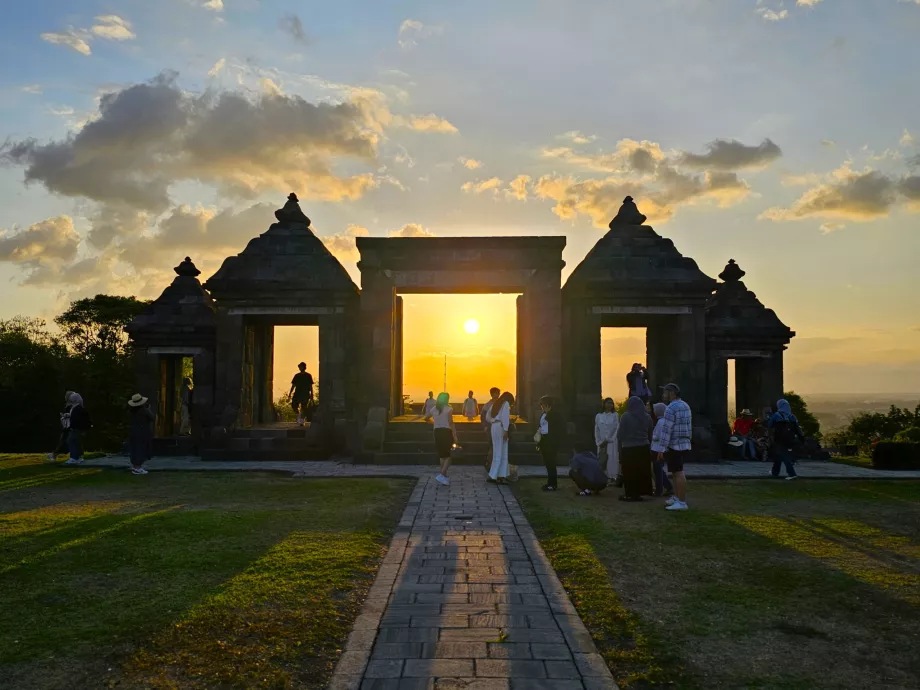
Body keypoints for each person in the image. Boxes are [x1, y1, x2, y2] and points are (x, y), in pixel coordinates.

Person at [657, 383, 692, 511]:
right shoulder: (685, 405)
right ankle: (677, 498)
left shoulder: (670, 408)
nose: (663, 395)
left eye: (665, 392)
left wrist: (661, 448)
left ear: (671, 393)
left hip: (674, 444)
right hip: (684, 443)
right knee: (675, 472)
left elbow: (667, 430)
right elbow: (689, 426)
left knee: (678, 472)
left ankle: (682, 502)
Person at [617, 396, 653, 502]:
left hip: (629, 448)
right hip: (644, 447)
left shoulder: (626, 416)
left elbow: (620, 434)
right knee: (642, 471)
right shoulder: (647, 417)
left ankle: (630, 494)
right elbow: (650, 433)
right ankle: (640, 492)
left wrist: (620, 447)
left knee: (629, 471)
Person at [425, 392, 459, 486]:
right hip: (446, 432)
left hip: (437, 432)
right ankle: (442, 474)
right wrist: (455, 435)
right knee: (449, 455)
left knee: (442, 455)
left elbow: (426, 418)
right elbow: (451, 423)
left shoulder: (434, 409)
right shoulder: (449, 409)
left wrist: (434, 423)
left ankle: (443, 477)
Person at [767, 399, 804, 480]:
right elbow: (797, 429)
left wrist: (769, 416)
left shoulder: (777, 415)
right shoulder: (792, 416)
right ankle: (775, 472)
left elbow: (769, 425)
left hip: (779, 438)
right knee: (778, 455)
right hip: (790, 438)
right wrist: (801, 439)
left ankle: (792, 473)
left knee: (784, 455)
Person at [487, 392, 514, 483]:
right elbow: (505, 417)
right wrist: (506, 430)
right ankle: (499, 475)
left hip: (494, 426)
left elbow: (487, 417)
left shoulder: (495, 404)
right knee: (502, 452)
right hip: (501, 427)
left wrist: (493, 420)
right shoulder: (505, 404)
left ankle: (494, 474)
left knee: (496, 451)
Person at [536, 395, 561, 491]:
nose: (541, 406)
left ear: (547, 404)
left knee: (551, 463)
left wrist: (548, 412)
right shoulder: (543, 414)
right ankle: (550, 482)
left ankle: (553, 484)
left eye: (542, 404)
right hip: (544, 440)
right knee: (547, 463)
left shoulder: (554, 414)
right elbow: (540, 427)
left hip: (551, 441)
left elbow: (556, 428)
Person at [650, 402, 674, 497]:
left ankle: (659, 489)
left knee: (658, 470)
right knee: (659, 469)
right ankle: (668, 486)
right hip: (661, 448)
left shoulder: (660, 422)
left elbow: (658, 436)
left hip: (657, 448)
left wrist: (651, 436)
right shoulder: (665, 421)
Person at [127, 393, 155, 475]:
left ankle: (135, 466)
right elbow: (152, 418)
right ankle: (137, 468)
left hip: (134, 432)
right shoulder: (143, 411)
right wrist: (148, 409)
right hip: (142, 432)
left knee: (135, 449)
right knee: (140, 449)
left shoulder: (132, 411)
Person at [594, 398, 620, 484]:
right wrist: (599, 442)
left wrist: (609, 439)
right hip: (601, 443)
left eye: (611, 403)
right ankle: (602, 478)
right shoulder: (599, 416)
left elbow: (616, 428)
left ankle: (612, 478)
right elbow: (596, 430)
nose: (610, 405)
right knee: (602, 459)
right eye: (608, 403)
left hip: (611, 442)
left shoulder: (615, 415)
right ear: (604, 404)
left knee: (611, 460)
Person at [47, 390, 76, 462]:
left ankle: (73, 457)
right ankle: (53, 454)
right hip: (67, 428)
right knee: (65, 443)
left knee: (69, 443)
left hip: (69, 427)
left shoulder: (71, 406)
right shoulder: (68, 407)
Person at [64, 393, 91, 465]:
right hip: (76, 428)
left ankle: (74, 458)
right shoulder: (76, 407)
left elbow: (79, 419)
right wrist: (68, 415)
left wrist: (83, 429)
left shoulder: (78, 408)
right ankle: (78, 457)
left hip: (77, 428)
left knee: (71, 441)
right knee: (76, 442)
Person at [480, 387, 501, 458]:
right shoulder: (487, 405)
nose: (497, 395)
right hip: (490, 427)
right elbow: (483, 417)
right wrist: (485, 426)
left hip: (499, 427)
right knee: (491, 445)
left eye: (498, 393)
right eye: (496, 393)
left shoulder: (502, 405)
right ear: (492, 394)